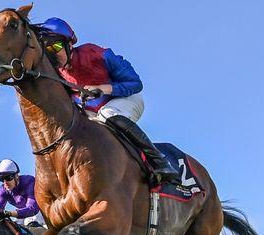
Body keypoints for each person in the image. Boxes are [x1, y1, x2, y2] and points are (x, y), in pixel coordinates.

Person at [35, 17, 179, 184]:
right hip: (93, 114)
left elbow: (135, 84)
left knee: (107, 114)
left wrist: (102, 88)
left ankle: (159, 161)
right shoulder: (56, 73)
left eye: (56, 46)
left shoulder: (97, 54)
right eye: (47, 49)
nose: (53, 54)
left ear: (70, 44)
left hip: (126, 100)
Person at [0, 159, 43, 227]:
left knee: (29, 221)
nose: (5, 182)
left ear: (16, 176)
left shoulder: (29, 181)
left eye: (8, 177)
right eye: (1, 178)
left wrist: (9, 213)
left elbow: (32, 209)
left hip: (40, 212)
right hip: (22, 215)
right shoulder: (3, 190)